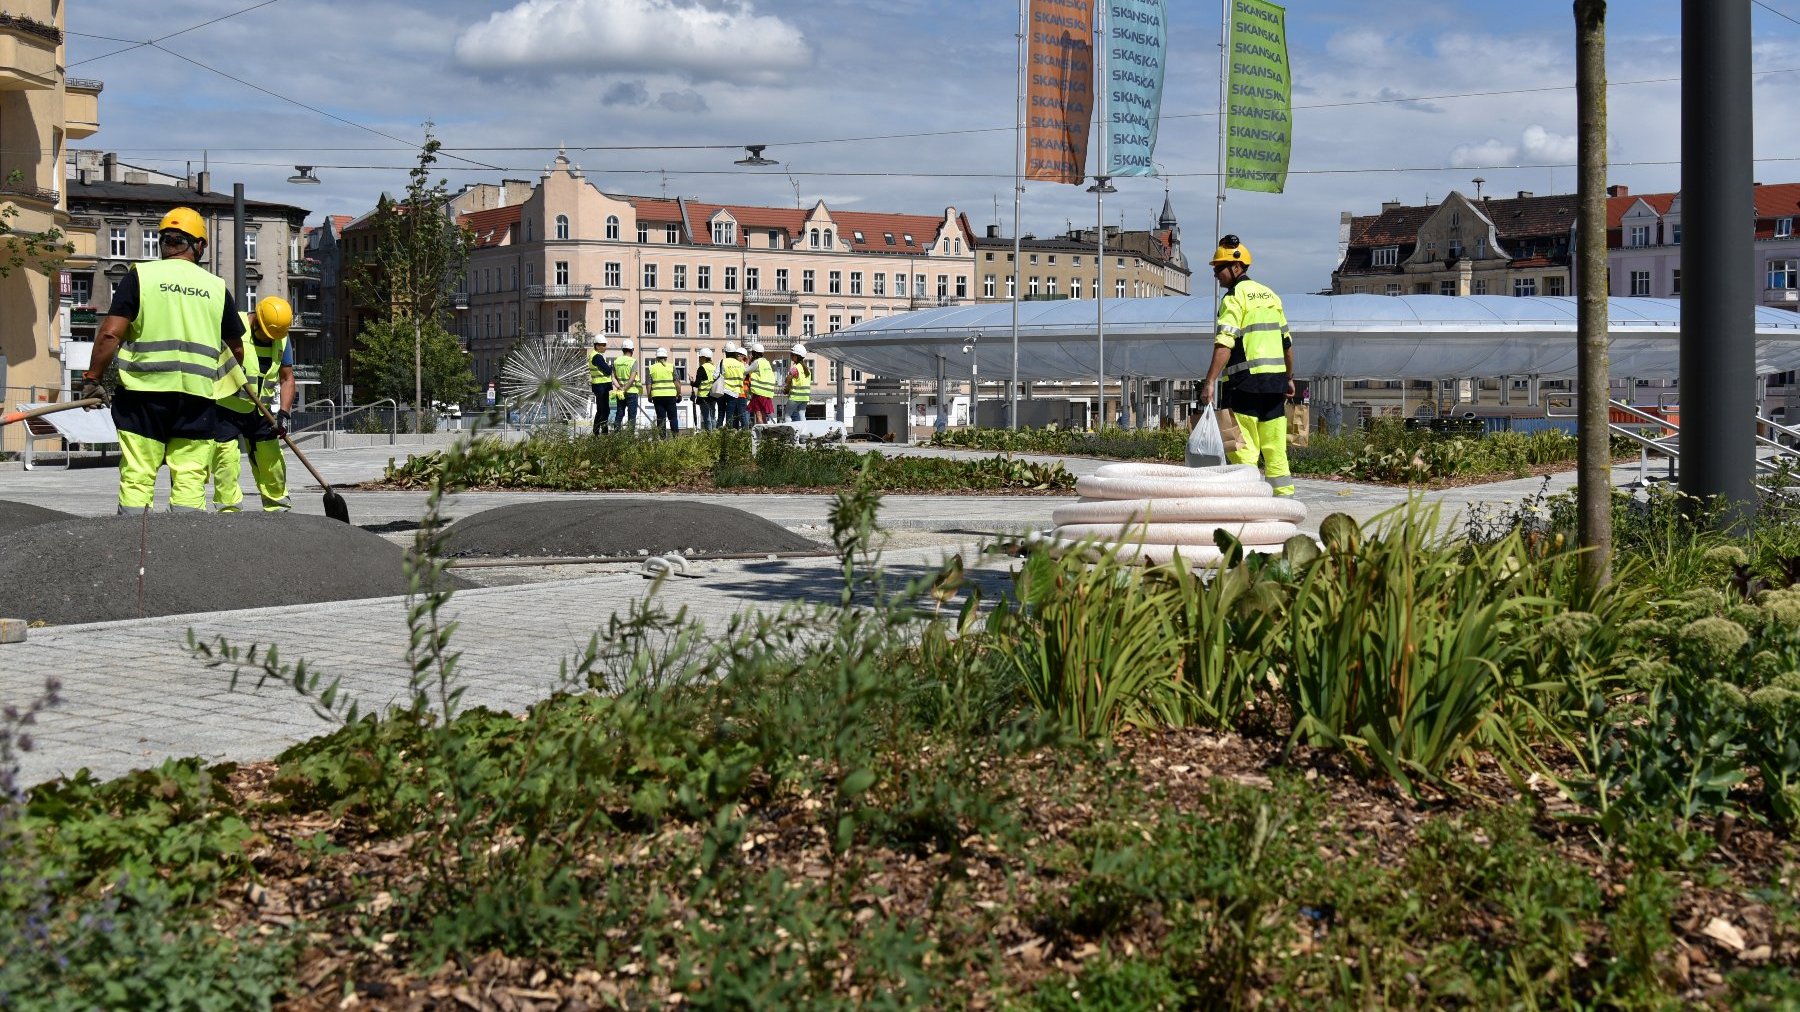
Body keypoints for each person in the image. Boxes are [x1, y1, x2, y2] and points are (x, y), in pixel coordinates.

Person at [81, 207, 246, 514]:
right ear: (200, 245)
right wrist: (223, 386)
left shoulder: (140, 276)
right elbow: (236, 351)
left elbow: (109, 335)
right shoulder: (216, 287)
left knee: (138, 475)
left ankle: (133, 545)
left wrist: (93, 379)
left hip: (144, 396)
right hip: (196, 399)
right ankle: (183, 549)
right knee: (189, 477)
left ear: (164, 242)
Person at [1198, 235, 1296, 497]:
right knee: (1275, 448)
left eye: (1219, 268)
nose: (1216, 274)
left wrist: (1209, 382)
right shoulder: (1271, 296)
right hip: (1275, 386)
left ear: (1236, 267)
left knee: (1243, 449)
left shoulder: (1234, 298)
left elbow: (1224, 345)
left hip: (1245, 386)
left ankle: (1247, 503)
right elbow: (1286, 343)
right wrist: (1289, 378)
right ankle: (1284, 504)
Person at [211, 296, 295, 512]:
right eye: (266, 336)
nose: (269, 340)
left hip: (262, 413)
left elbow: (287, 379)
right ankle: (228, 514)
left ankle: (278, 511)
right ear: (256, 319)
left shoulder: (282, 338)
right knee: (226, 463)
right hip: (227, 409)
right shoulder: (233, 324)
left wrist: (283, 414)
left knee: (272, 462)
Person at [646, 346, 681, 436]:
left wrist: (649, 396)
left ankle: (662, 439)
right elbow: (677, 381)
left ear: (656, 358)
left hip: (657, 396)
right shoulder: (671, 366)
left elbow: (649, 383)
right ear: (666, 357)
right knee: (673, 418)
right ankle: (676, 438)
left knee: (661, 419)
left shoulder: (652, 368)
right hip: (670, 396)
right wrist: (679, 393)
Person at [611, 337, 641, 433]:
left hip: (620, 392)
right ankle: (630, 437)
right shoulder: (633, 361)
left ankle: (616, 435)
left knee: (619, 414)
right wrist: (625, 389)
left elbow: (613, 378)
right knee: (632, 415)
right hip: (631, 391)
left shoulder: (616, 361)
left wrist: (620, 388)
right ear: (632, 350)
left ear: (622, 350)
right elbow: (632, 379)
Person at [746, 339, 777, 425]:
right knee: (764, 416)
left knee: (758, 415)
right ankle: (766, 433)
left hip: (759, 392)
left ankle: (760, 434)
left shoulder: (757, 362)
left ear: (754, 353)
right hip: (767, 393)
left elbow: (745, 371)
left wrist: (748, 362)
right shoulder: (766, 362)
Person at [588, 335, 613, 435]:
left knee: (601, 410)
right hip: (601, 387)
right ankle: (603, 432)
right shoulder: (597, 357)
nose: (605, 347)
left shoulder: (595, 355)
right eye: (603, 345)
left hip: (599, 386)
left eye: (605, 345)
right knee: (605, 411)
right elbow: (607, 371)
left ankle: (596, 432)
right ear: (597, 346)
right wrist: (611, 368)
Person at [720, 343, 749, 429]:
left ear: (744, 357)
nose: (737, 356)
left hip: (741, 394)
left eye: (739, 355)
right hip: (735, 394)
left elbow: (744, 379)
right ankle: (735, 432)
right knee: (735, 416)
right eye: (737, 354)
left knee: (741, 415)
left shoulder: (745, 367)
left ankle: (745, 432)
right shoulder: (739, 365)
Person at [784, 342, 812, 422]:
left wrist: (787, 388)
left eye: (792, 355)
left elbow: (787, 380)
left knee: (788, 415)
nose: (791, 356)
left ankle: (788, 433)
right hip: (805, 397)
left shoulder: (795, 368)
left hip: (795, 397)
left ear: (797, 356)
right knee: (802, 414)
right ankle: (803, 432)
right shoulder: (808, 370)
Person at [693, 347, 718, 431]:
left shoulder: (702, 368)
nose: (699, 359)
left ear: (703, 358)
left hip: (704, 396)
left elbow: (697, 384)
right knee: (712, 417)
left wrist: (691, 382)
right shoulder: (714, 367)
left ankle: (709, 436)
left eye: (700, 357)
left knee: (706, 418)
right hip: (713, 395)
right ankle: (714, 435)